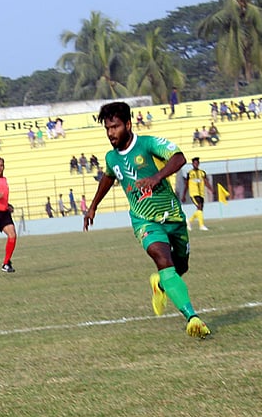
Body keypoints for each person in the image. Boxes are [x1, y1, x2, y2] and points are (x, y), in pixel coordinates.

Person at [84, 101, 209, 339]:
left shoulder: (148, 144)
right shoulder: (111, 158)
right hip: (144, 221)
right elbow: (108, 178)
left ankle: (160, 284)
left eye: (115, 127)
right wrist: (93, 207)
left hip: (172, 216)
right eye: (107, 128)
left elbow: (179, 158)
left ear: (128, 124)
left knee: (181, 267)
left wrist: (156, 177)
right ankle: (192, 317)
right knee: (163, 260)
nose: (110, 133)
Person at [186, 157, 212, 232]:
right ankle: (201, 225)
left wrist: (211, 189)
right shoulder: (190, 173)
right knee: (199, 206)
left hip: (201, 193)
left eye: (197, 163)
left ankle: (189, 221)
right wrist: (184, 195)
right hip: (193, 193)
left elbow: (206, 182)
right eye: (194, 163)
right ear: (192, 164)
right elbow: (186, 184)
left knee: (200, 209)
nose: (196, 164)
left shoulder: (202, 172)